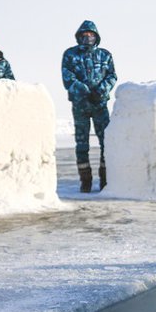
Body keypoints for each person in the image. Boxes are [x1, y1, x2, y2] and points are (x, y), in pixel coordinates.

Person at [61, 20, 117, 193]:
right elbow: (67, 77)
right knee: (81, 144)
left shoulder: (104, 55)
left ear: (96, 36)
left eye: (91, 35)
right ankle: (85, 181)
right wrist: (85, 91)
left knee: (106, 142)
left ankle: (105, 180)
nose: (87, 38)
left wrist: (100, 91)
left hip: (100, 104)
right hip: (80, 105)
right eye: (84, 35)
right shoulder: (70, 54)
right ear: (79, 37)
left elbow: (112, 76)